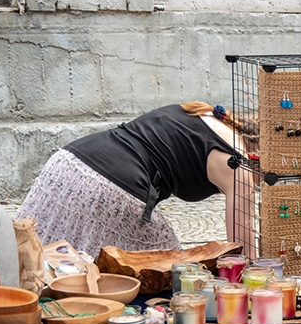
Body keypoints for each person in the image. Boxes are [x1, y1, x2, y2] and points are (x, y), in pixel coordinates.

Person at [15, 102, 256, 258]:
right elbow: (241, 251)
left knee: (42, 261)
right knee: (172, 266)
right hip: (111, 186)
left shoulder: (205, 113)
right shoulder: (239, 164)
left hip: (68, 161)